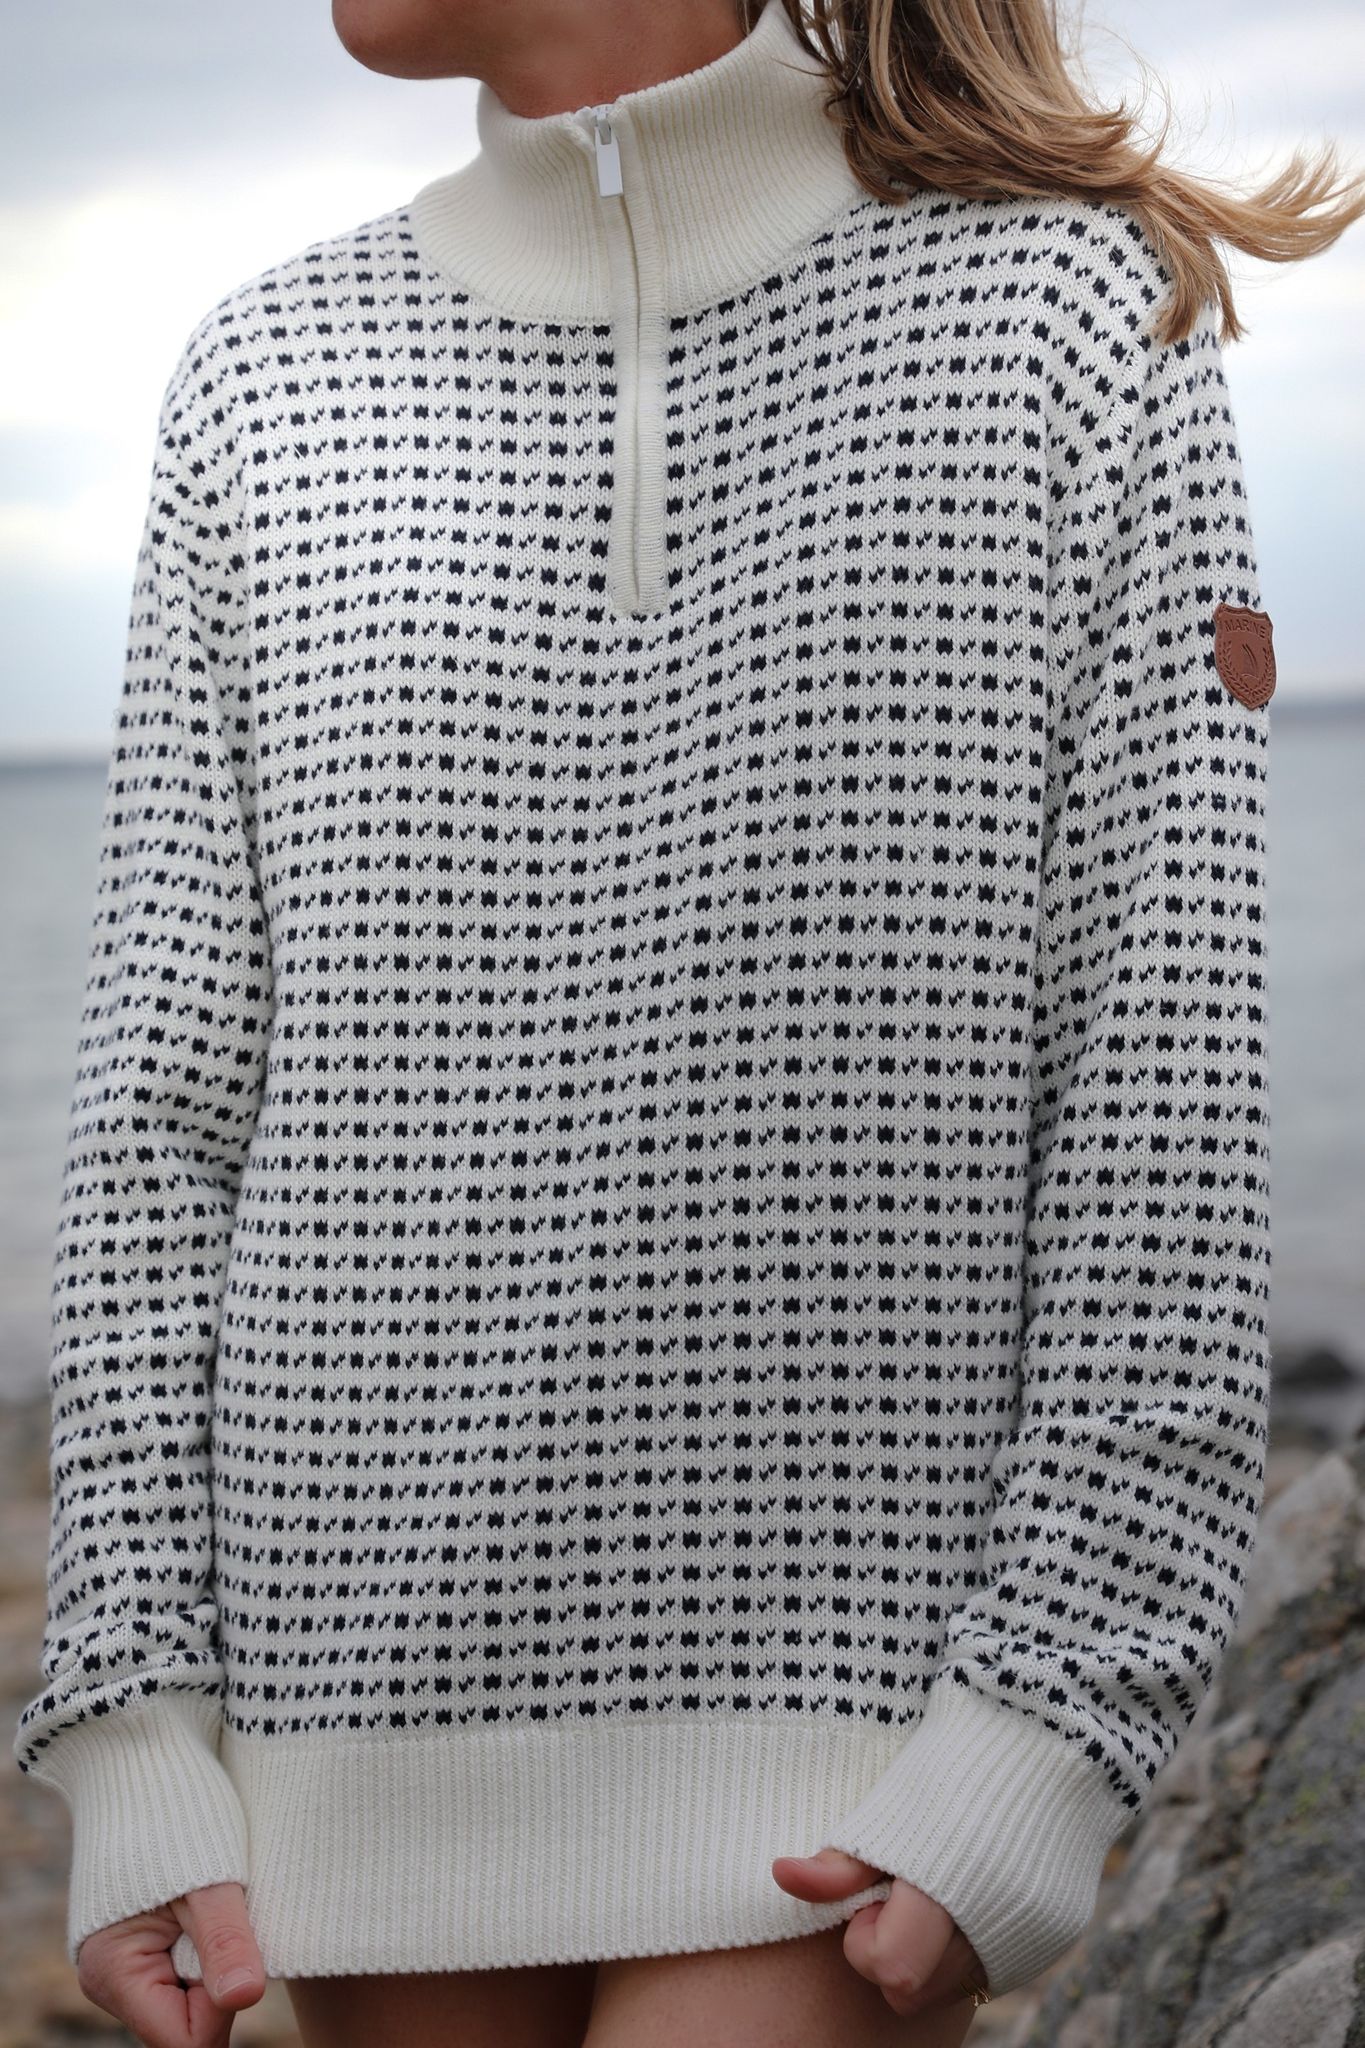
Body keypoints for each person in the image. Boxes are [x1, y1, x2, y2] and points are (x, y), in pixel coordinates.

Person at [12, 1, 1363, 2044]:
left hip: (847, 1758)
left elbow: (1157, 1097)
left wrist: (1041, 1727)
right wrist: (134, 1727)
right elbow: (160, 1126)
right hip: (340, 1746)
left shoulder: (1068, 322)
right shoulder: (265, 379)